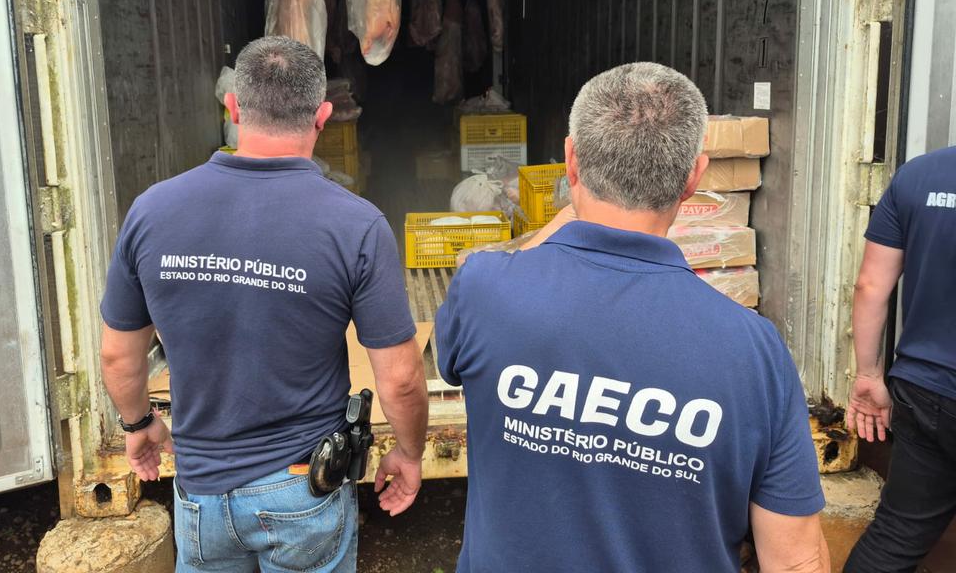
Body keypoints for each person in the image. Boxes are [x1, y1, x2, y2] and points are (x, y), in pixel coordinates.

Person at [436, 63, 829, 572]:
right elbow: (794, 561)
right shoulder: (754, 350)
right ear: (694, 177)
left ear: (571, 159)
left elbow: (455, 355)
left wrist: (572, 208)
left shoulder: (484, 290)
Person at [99, 36, 429, 573]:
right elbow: (403, 380)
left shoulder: (152, 211)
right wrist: (410, 454)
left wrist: (139, 426)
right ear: (323, 117)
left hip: (201, 492)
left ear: (233, 108)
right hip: (303, 486)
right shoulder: (357, 225)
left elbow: (118, 355)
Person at [844, 145, 956, 572]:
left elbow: (871, 285)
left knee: (895, 536)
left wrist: (869, 375)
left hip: (924, 393)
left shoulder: (919, 175)